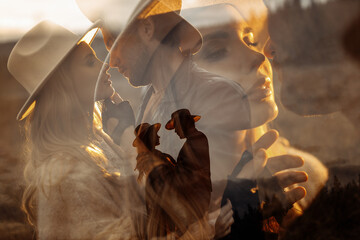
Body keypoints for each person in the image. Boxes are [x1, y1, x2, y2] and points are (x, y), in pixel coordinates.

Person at [181, 1, 328, 224]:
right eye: (217, 52)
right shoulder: (148, 208)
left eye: (250, 41)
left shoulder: (306, 177)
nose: (259, 57)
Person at [7, 20, 145, 239]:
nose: (105, 65)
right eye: (90, 62)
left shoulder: (96, 141)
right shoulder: (65, 172)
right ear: (64, 84)